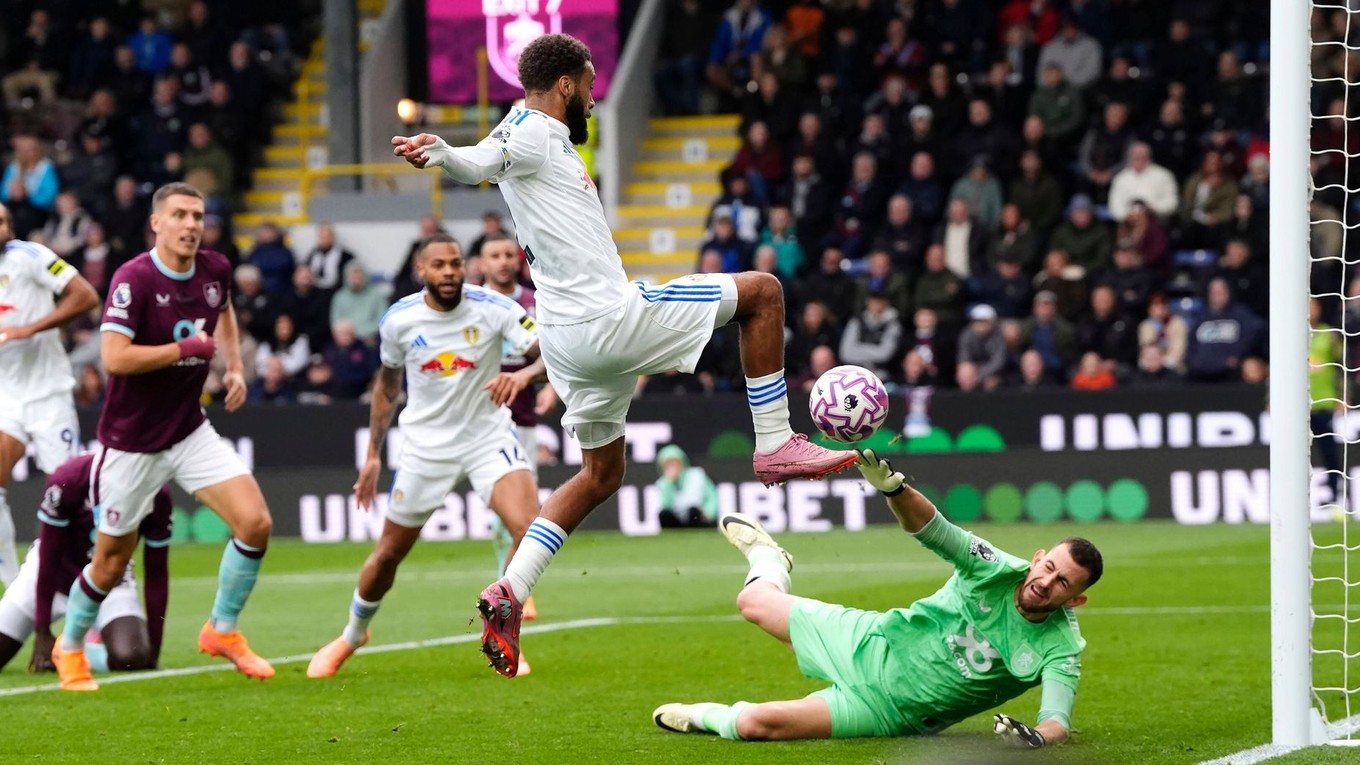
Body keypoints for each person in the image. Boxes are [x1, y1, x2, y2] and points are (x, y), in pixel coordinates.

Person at [393, 33, 855, 677]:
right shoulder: (529, 129)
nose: (591, 97)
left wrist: (454, 155)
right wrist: (443, 153)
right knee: (763, 293)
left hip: (567, 341)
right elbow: (479, 161)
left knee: (601, 475)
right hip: (606, 319)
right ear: (565, 84)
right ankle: (776, 442)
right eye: (587, 84)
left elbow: (489, 159)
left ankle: (511, 589)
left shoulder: (544, 139)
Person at [654, 451, 1101, 745]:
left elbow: (1056, 720)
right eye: (1048, 566)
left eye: (1063, 583)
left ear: (1074, 601)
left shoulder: (1061, 647)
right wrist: (894, 490)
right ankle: (770, 560)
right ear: (1038, 558)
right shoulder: (994, 567)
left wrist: (1037, 737)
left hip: (888, 712)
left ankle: (703, 716)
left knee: (756, 725)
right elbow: (935, 529)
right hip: (872, 642)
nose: (1047, 581)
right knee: (751, 603)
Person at [50, 182, 274, 692]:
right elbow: (114, 358)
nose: (191, 224)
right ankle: (70, 647)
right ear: (157, 223)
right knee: (109, 563)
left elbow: (225, 311)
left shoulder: (215, 268)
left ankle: (222, 630)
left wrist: (234, 367)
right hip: (131, 443)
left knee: (255, 523)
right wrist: (185, 350)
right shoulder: (133, 279)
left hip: (189, 429)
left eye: (197, 215)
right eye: (180, 215)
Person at [307, 233, 546, 679]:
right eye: (439, 265)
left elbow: (548, 354)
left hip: (487, 437)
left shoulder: (496, 307)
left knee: (529, 529)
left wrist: (525, 376)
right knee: (388, 554)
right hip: (425, 448)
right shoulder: (399, 319)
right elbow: (387, 386)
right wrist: (373, 455)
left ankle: (503, 632)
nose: (450, 272)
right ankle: (352, 635)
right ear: (422, 271)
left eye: (455, 263)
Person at [0, 201, 101, 586]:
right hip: (6, 394)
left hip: (49, 393)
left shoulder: (31, 256)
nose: (3, 228)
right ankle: (15, 589)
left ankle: (84, 583)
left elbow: (85, 296)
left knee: (68, 495)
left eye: (4, 221)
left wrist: (31, 329)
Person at [0, 454, 170, 674]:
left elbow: (157, 573)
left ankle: (67, 651)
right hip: (53, 576)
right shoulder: (70, 478)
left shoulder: (156, 491)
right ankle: (61, 647)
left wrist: (153, 649)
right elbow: (49, 558)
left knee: (132, 657)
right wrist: (42, 632)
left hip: (110, 581)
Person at [481, 233, 554, 622]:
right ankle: (511, 588)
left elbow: (555, 351)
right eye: (494, 255)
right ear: (482, 264)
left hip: (522, 418)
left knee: (524, 511)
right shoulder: (473, 304)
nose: (503, 261)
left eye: (508, 254)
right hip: (481, 421)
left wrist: (552, 385)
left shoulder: (534, 301)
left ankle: (513, 587)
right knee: (506, 513)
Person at [655, 445, 718, 528]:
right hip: (677, 520)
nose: (673, 466)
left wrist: (709, 513)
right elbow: (666, 506)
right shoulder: (662, 483)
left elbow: (712, 495)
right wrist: (668, 483)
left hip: (696, 518)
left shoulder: (697, 475)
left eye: (675, 462)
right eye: (668, 464)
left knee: (693, 511)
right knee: (664, 515)